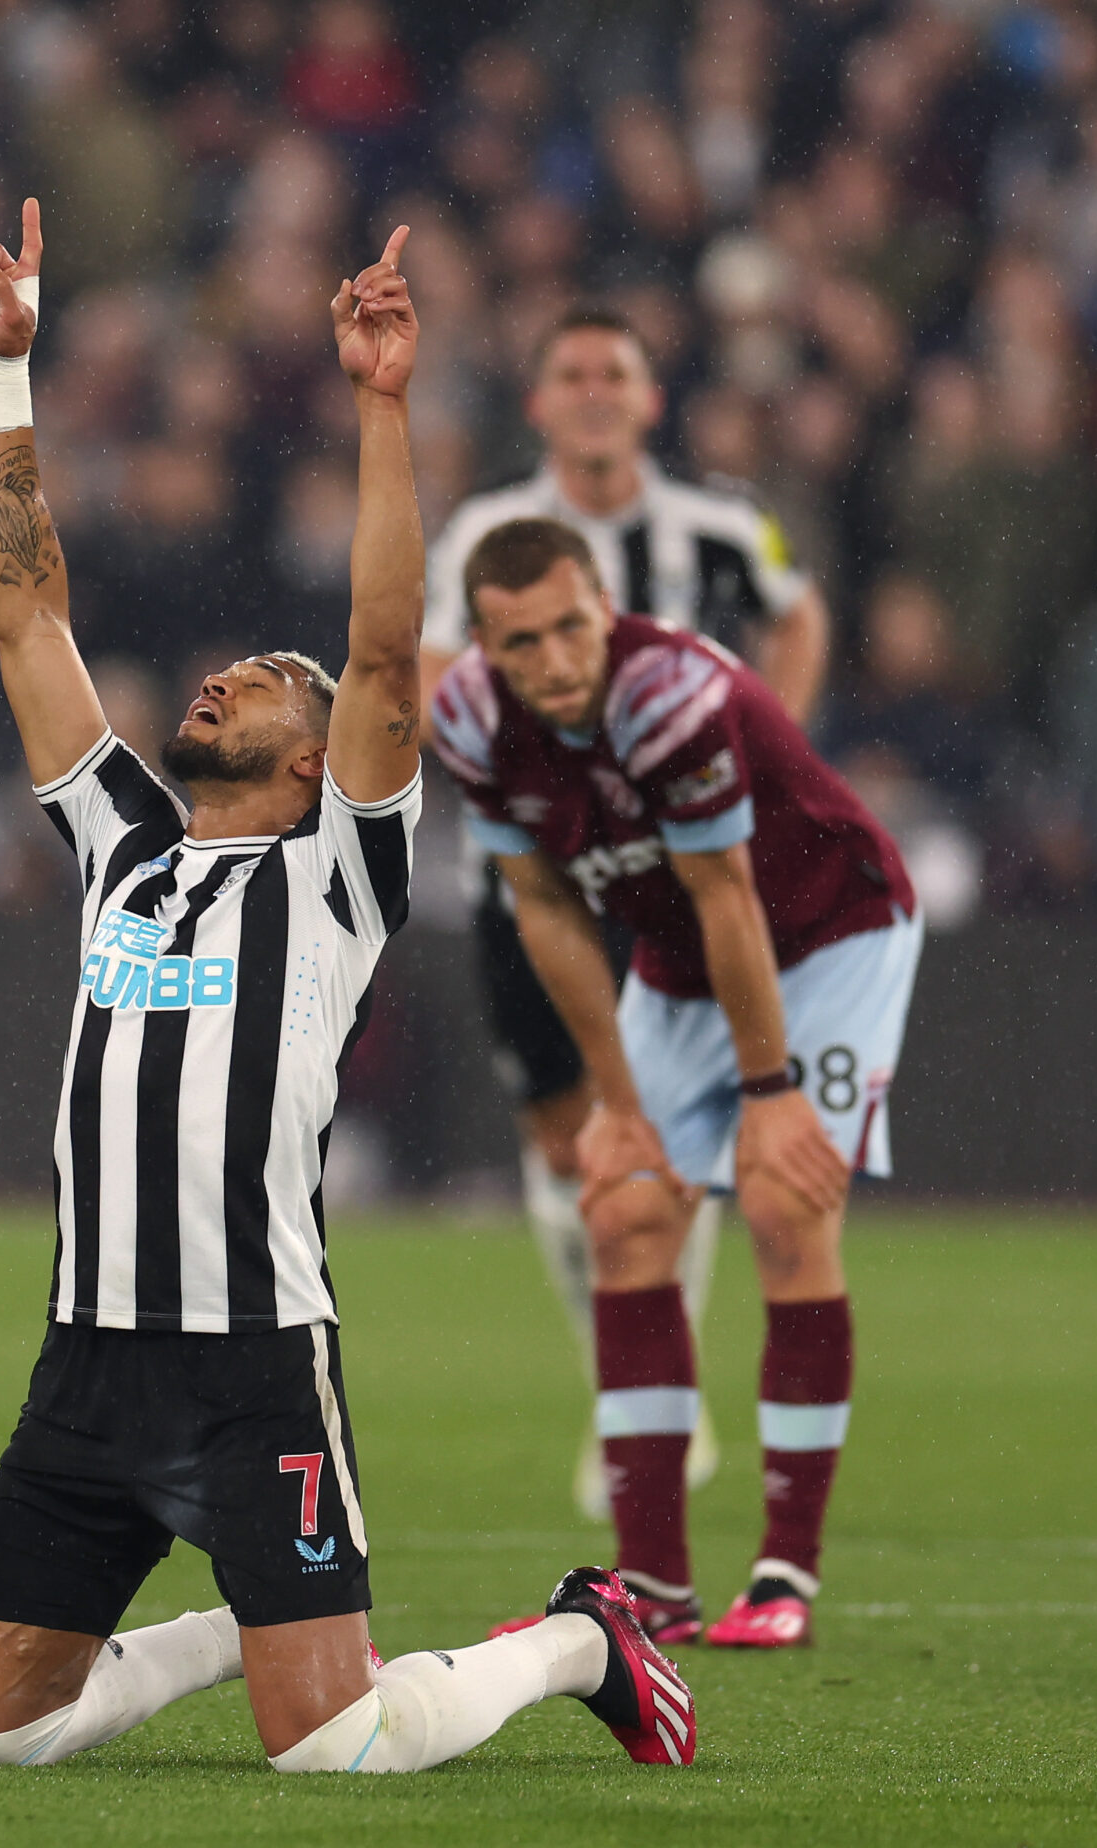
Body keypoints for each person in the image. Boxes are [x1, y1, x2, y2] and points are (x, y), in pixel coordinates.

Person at [0, 200, 697, 1774]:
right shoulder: (125, 845)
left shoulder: (339, 873)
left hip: (251, 1358)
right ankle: (239, 1627)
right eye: (231, 671)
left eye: (270, 682)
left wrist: (382, 407)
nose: (223, 677)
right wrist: (5, 374)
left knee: (333, 1748)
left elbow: (386, 646)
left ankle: (577, 1639)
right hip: (89, 1353)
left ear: (312, 758)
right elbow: (25, 614)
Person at [432, 517, 921, 1650]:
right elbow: (546, 906)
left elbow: (726, 895)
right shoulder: (466, 720)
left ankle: (784, 1576)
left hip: (831, 929)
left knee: (784, 1205)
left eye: (571, 626)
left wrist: (771, 1091)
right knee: (624, 1214)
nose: (555, 658)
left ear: (606, 606)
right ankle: (652, 1589)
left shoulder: (668, 697)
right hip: (682, 956)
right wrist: (619, 1105)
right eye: (521, 642)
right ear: (484, 649)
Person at [419, 307, 833, 1521]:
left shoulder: (720, 523)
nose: (594, 389)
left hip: (671, 870)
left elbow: (797, 611)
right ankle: (628, 1371)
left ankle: (654, 1383)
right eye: (571, 373)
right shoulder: (482, 533)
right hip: (530, 875)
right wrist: (504, 759)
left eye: (615, 371)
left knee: (665, 1124)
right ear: (539, 404)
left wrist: (767, 749)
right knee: (568, 1141)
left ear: (651, 401)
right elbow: (435, 666)